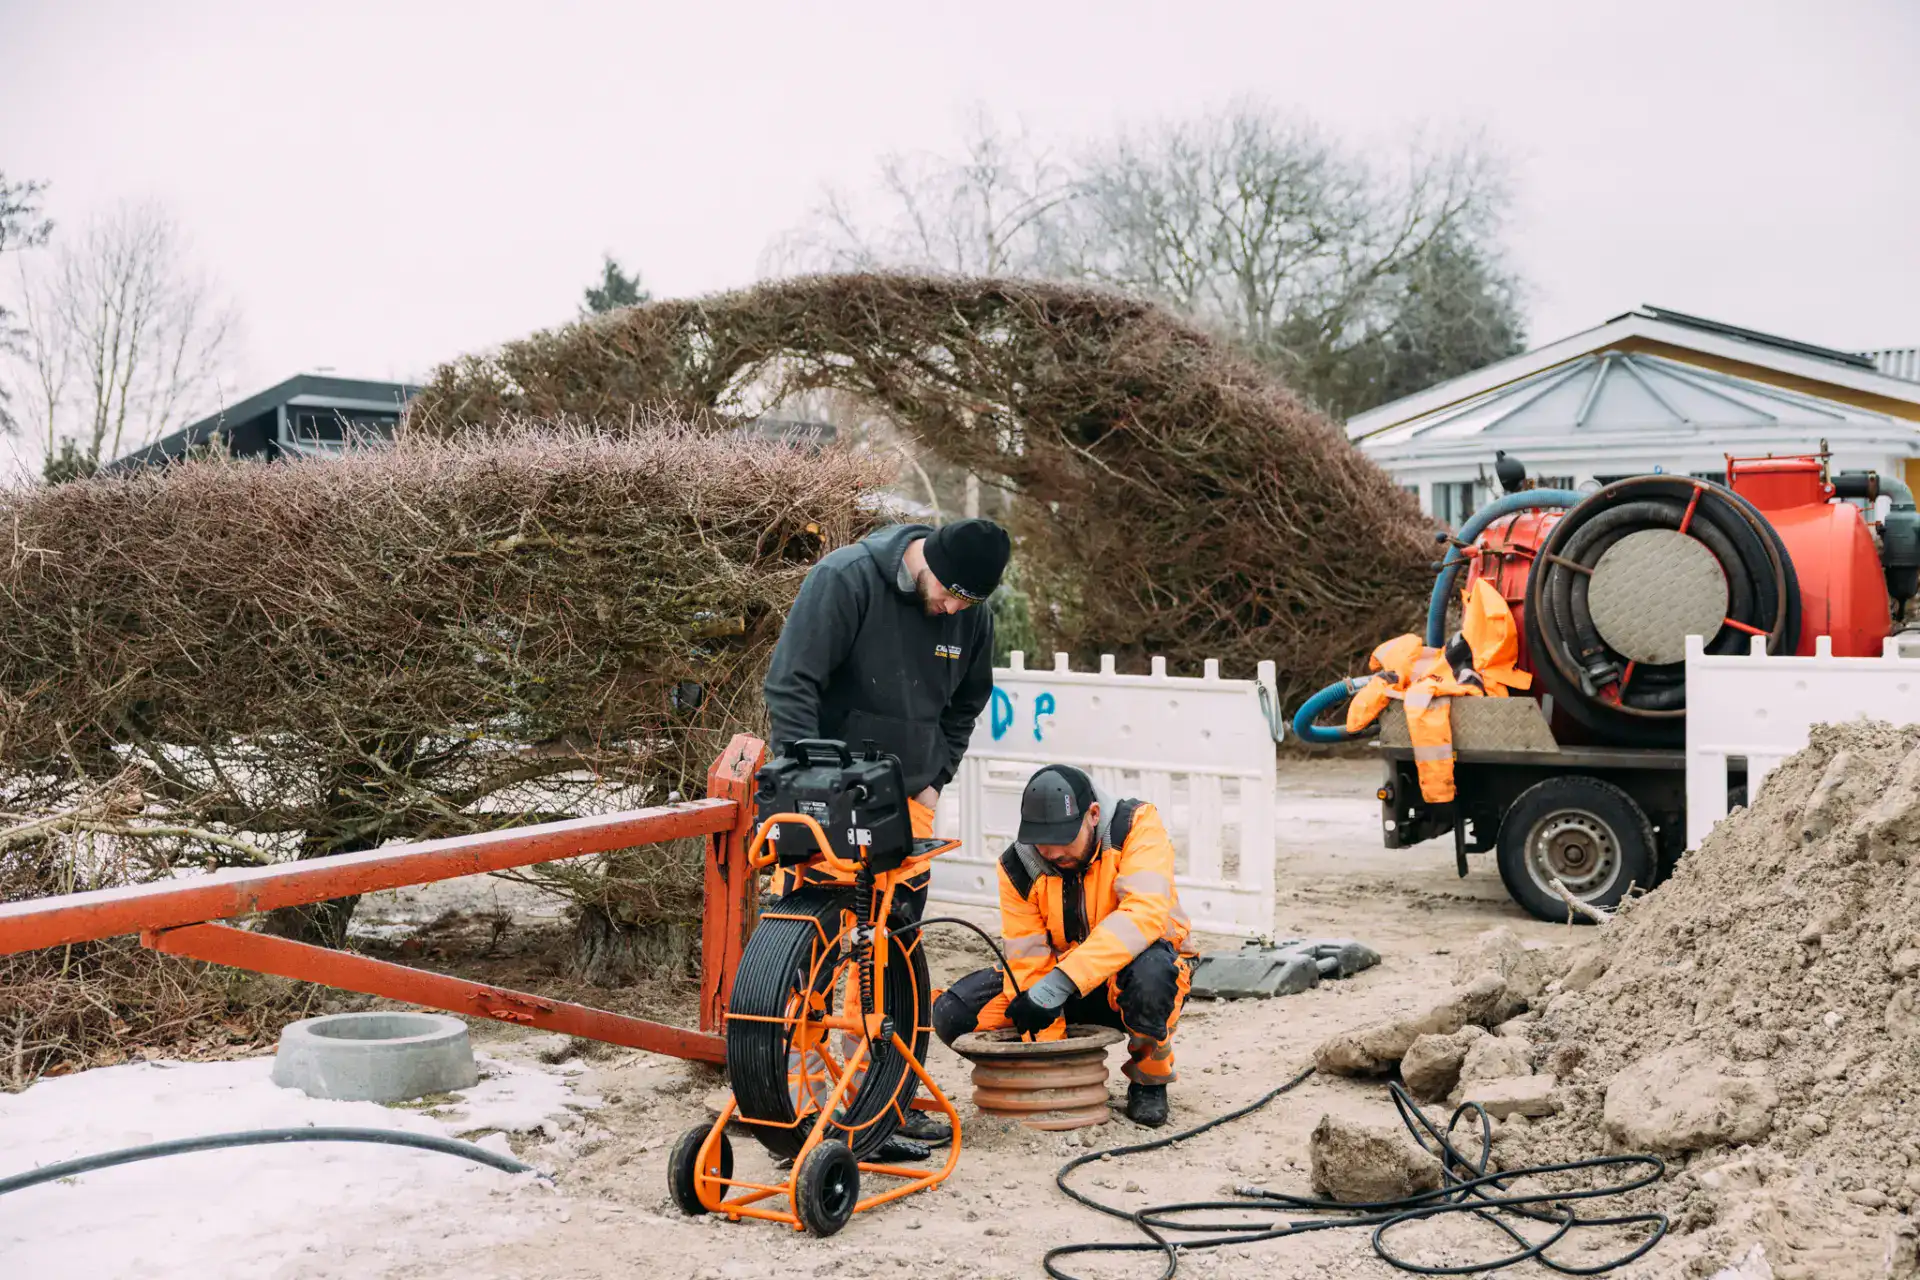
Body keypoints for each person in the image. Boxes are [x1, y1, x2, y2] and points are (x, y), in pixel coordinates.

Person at [762, 515, 1010, 1152]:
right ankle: (799, 1101)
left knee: (891, 950)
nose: (951, 608)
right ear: (927, 557)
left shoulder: (971, 614)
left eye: (966, 602)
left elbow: (967, 702)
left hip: (907, 800)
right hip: (827, 792)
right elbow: (791, 683)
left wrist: (935, 779)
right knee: (810, 950)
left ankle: (879, 1103)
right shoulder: (846, 580)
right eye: (949, 592)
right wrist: (803, 779)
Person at [931, 764, 1194, 1128]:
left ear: (1093, 816)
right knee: (952, 1013)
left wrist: (1059, 984)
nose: (1052, 852)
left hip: (1129, 972)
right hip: (1063, 981)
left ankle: (1149, 1077)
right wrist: (1049, 1060)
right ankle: (1032, 1071)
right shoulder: (1017, 867)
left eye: (1063, 837)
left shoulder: (1136, 826)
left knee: (1153, 973)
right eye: (1042, 840)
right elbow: (1026, 958)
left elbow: (1143, 915)